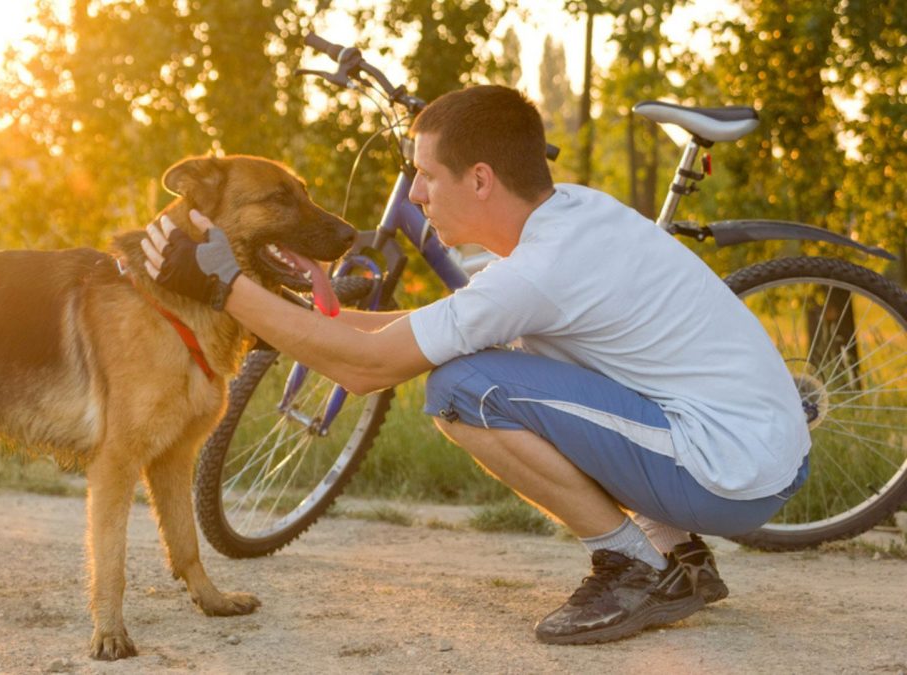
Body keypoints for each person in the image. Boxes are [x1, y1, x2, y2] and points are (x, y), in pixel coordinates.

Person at [140, 85, 810, 645]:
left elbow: (370, 368)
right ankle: (680, 556)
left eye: (427, 176)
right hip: (745, 446)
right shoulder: (566, 219)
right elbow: (400, 331)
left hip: (730, 471)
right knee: (483, 362)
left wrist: (226, 287)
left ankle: (634, 567)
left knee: (464, 386)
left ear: (480, 179)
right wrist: (276, 322)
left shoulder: (538, 271)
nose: (420, 195)